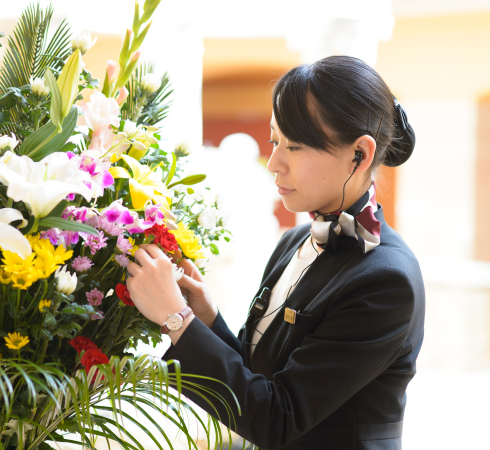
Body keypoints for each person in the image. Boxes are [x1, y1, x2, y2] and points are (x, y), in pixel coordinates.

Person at [125, 55, 425, 450]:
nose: (273, 163)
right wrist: (205, 318)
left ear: (360, 154)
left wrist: (176, 319)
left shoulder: (386, 278)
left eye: (295, 146)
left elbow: (279, 419)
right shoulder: (292, 241)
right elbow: (261, 383)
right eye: (274, 141)